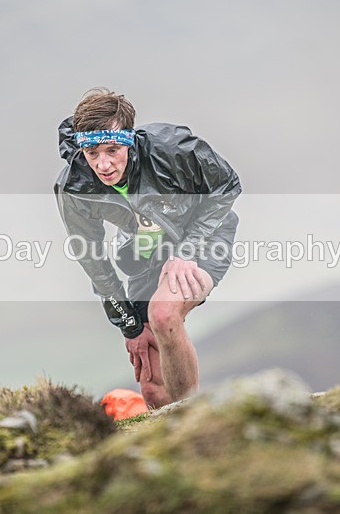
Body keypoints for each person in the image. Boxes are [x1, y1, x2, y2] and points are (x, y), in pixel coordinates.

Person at [55, 88, 241, 408]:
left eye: (113, 150)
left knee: (163, 312)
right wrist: (128, 324)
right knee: (154, 389)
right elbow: (93, 258)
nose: (103, 164)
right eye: (93, 153)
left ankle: (191, 421)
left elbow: (227, 185)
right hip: (146, 250)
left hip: (205, 235)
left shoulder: (172, 149)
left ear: (129, 139)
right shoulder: (74, 186)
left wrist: (186, 251)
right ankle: (170, 439)